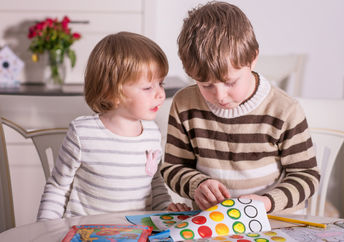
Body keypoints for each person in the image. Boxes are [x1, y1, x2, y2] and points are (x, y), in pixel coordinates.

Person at [161, 1, 320, 214]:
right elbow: (173, 168)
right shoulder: (184, 104)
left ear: (252, 59)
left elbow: (307, 176)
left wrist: (267, 202)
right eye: (205, 85)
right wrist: (196, 184)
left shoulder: (285, 110)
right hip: (211, 223)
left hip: (273, 221)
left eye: (230, 82)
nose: (219, 96)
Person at [37, 32, 190, 221]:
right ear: (112, 93)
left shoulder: (152, 133)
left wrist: (167, 208)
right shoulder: (83, 134)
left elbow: (155, 184)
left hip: (138, 233)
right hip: (87, 234)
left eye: (161, 83)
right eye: (148, 87)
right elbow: (58, 187)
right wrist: (45, 229)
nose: (160, 94)